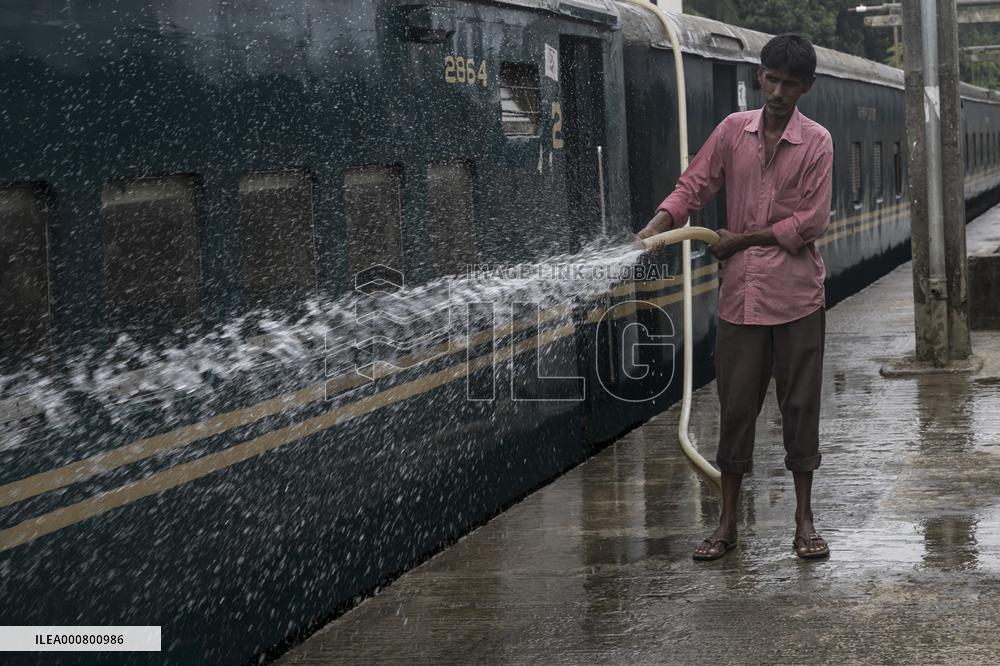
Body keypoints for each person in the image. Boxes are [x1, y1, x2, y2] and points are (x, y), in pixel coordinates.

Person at [636, 34, 833, 561]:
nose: (778, 91)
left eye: (790, 83)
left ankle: (804, 520)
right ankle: (726, 524)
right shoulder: (730, 132)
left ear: (805, 88)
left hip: (797, 299)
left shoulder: (817, 142)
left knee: (800, 406)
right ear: (759, 76)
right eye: (771, 78)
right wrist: (652, 231)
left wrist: (740, 240)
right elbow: (691, 188)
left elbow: (810, 222)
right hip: (740, 300)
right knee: (736, 407)